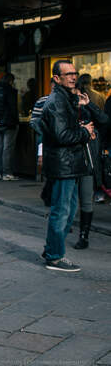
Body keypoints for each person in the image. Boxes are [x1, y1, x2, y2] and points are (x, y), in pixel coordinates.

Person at [39, 60, 95, 272]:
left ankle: (52, 248)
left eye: (75, 73)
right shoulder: (56, 101)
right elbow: (62, 135)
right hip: (63, 164)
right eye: (68, 74)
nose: (73, 77)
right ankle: (54, 256)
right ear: (56, 78)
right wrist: (84, 132)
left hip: (69, 163)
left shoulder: (66, 98)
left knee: (69, 210)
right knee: (62, 211)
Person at [72, 83, 108, 250]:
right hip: (68, 163)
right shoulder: (64, 110)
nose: (76, 98)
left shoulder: (88, 110)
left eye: (78, 95)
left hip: (86, 162)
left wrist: (89, 105)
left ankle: (84, 236)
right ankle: (62, 232)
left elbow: (104, 120)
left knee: (86, 200)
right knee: (67, 201)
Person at [30, 80, 55, 207]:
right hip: (46, 139)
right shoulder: (43, 101)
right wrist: (44, 133)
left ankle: (48, 193)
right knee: (48, 167)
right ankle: (48, 194)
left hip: (54, 140)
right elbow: (34, 121)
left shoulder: (66, 101)